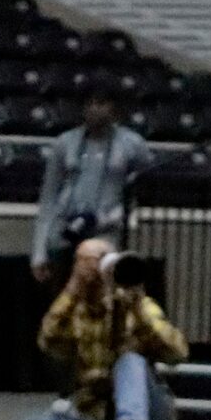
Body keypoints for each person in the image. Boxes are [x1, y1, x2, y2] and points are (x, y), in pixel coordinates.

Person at [22, 241, 188, 420]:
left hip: (145, 411)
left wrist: (136, 308)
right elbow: (47, 342)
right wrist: (73, 288)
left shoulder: (138, 305)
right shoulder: (75, 311)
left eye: (100, 259)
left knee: (130, 359)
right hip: (93, 414)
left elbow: (178, 352)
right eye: (85, 261)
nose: (93, 267)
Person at [31, 87, 155, 293]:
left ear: (114, 108)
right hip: (64, 233)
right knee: (62, 303)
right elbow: (48, 198)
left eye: (101, 103)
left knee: (101, 300)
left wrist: (120, 215)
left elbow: (145, 186)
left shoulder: (132, 144)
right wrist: (39, 252)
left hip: (106, 235)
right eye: (89, 104)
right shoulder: (65, 143)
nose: (94, 109)